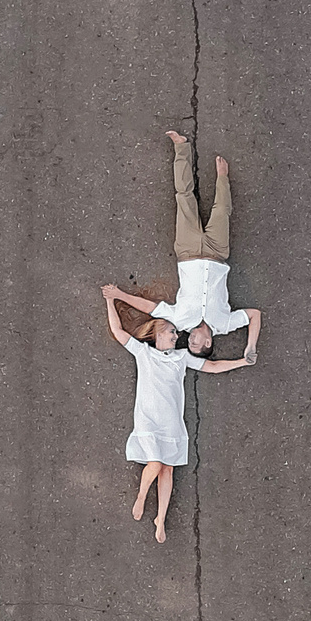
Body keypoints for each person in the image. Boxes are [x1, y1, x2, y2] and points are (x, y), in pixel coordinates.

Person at [100, 286, 252, 543]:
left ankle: (160, 518)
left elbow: (213, 367)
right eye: (172, 331)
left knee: (167, 470)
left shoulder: (182, 357)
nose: (177, 335)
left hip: (172, 423)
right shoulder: (143, 353)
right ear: (158, 334)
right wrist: (112, 300)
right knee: (156, 463)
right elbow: (118, 331)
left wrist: (242, 361)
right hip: (149, 419)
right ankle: (141, 494)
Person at [102, 130, 263, 361]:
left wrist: (119, 294)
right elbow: (255, 315)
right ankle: (222, 177)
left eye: (190, 343)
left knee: (184, 197)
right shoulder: (226, 323)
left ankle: (181, 148)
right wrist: (250, 347)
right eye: (195, 344)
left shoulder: (181, 321)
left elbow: (151, 308)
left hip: (187, 254)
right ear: (208, 342)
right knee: (222, 211)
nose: (189, 339)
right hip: (217, 254)